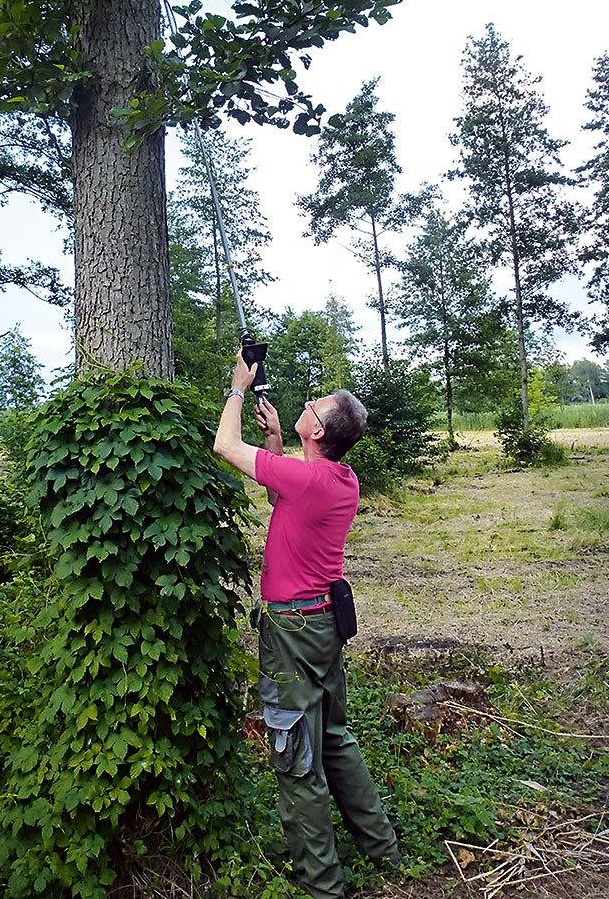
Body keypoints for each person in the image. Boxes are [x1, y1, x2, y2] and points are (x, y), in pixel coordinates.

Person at [213, 349, 400, 899]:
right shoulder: (340, 479)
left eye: (315, 404)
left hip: (294, 630)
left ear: (317, 429)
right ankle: (383, 851)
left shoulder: (313, 479)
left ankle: (323, 886)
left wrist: (237, 390)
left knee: (296, 756)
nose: (308, 401)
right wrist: (276, 441)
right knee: (335, 738)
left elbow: (224, 445)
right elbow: (282, 496)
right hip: (322, 625)